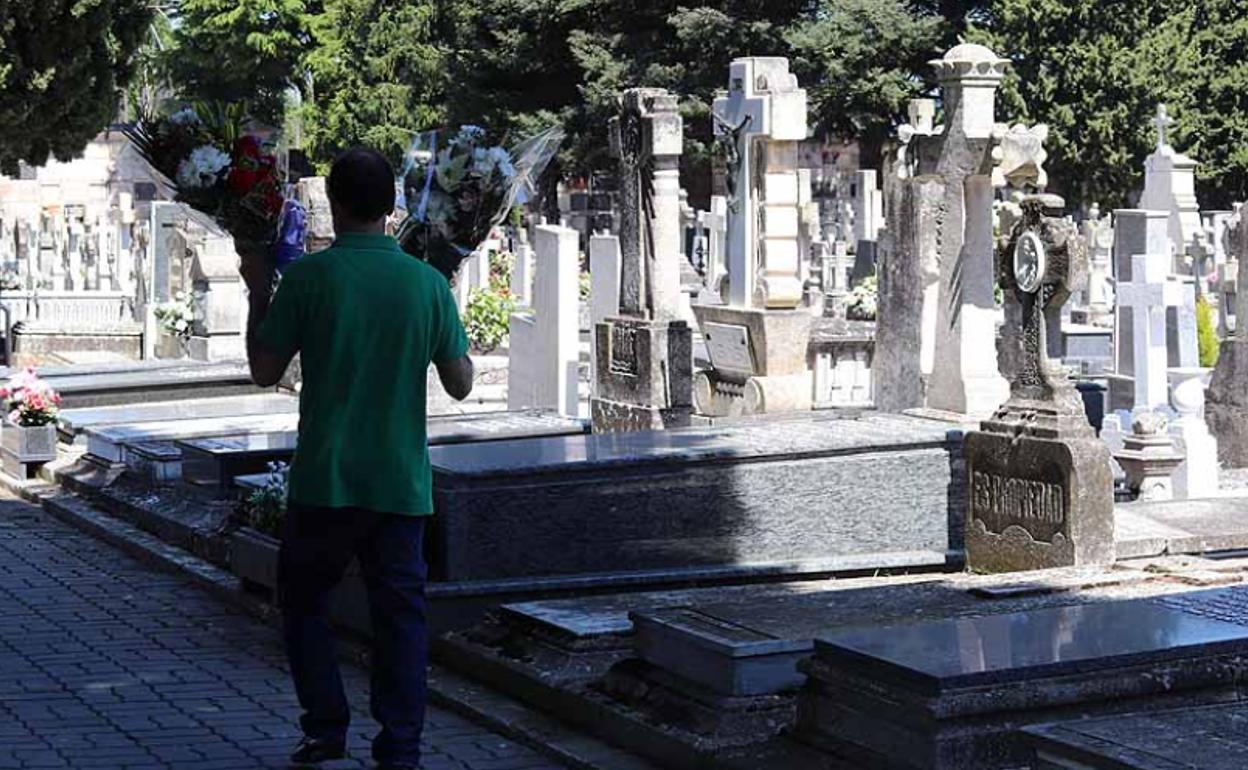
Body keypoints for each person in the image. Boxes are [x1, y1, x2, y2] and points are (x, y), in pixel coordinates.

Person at [241, 147, 474, 770]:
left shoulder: (311, 279)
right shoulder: (426, 284)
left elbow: (264, 371)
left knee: (306, 607)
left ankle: (325, 729)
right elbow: (460, 384)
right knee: (400, 619)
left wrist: (256, 292)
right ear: (392, 206)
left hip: (325, 477)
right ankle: (400, 747)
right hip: (399, 483)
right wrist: (446, 304)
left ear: (335, 205)